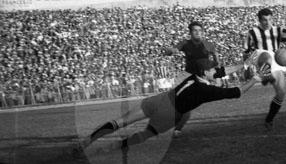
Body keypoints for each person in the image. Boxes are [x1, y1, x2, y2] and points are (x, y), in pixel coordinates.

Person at [79, 58, 260, 153]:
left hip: (160, 99)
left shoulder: (194, 77)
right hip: (170, 114)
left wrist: (243, 65)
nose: (217, 71)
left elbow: (221, 71)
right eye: (213, 69)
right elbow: (238, 92)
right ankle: (113, 147)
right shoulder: (206, 90)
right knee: (145, 134)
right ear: (205, 72)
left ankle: (88, 140)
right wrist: (255, 79)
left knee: (122, 121)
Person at [162, 21, 225, 136]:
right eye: (195, 30)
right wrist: (169, 51)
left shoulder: (208, 45)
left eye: (200, 30)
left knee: (187, 105)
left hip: (200, 79)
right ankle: (172, 125)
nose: (198, 33)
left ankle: (177, 129)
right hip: (186, 76)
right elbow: (173, 51)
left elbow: (216, 58)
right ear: (190, 33)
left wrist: (217, 72)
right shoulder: (185, 43)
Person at [242, 7, 286, 130]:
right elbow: (246, 51)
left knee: (281, 93)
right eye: (264, 20)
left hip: (275, 60)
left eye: (269, 19)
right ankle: (266, 75)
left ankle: (269, 119)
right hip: (259, 56)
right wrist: (246, 68)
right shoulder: (252, 33)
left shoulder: (278, 30)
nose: (267, 22)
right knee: (266, 55)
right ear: (259, 20)